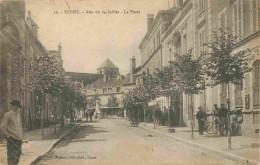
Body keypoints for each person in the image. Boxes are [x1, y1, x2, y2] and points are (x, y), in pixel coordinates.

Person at [0, 100, 23, 165]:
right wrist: (8, 136)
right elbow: (2, 127)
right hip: (12, 139)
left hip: (18, 139)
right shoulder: (8, 115)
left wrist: (21, 137)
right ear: (12, 106)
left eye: (17, 106)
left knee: (17, 156)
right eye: (15, 106)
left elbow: (19, 127)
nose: (16, 108)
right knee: (12, 157)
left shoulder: (18, 115)